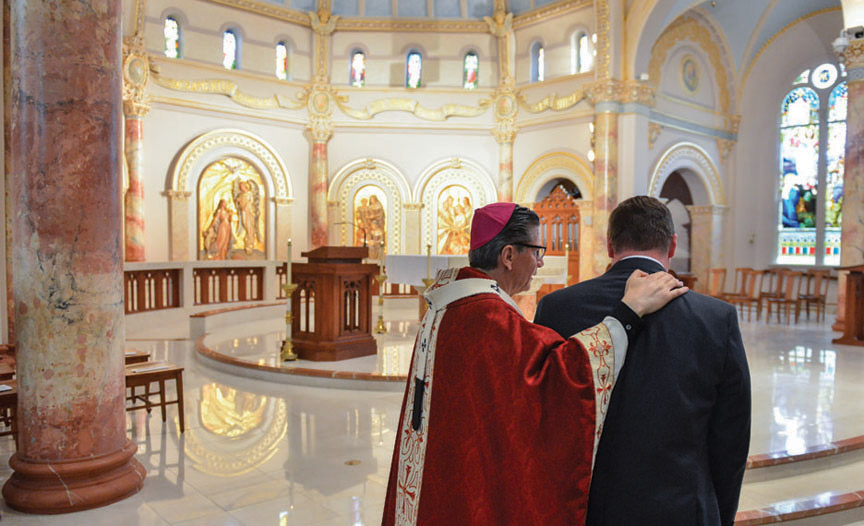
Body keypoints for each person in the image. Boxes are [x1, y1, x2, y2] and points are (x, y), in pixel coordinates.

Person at [382, 202, 688, 526]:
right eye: (536, 250)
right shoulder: (489, 317)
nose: (541, 261)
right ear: (509, 256)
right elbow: (565, 376)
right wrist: (628, 312)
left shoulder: (447, 306)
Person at [534, 196, 751, 526]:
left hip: (592, 509)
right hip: (682, 510)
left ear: (609, 245)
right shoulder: (716, 318)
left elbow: (543, 419)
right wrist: (716, 514)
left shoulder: (557, 308)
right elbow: (731, 439)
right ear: (673, 245)